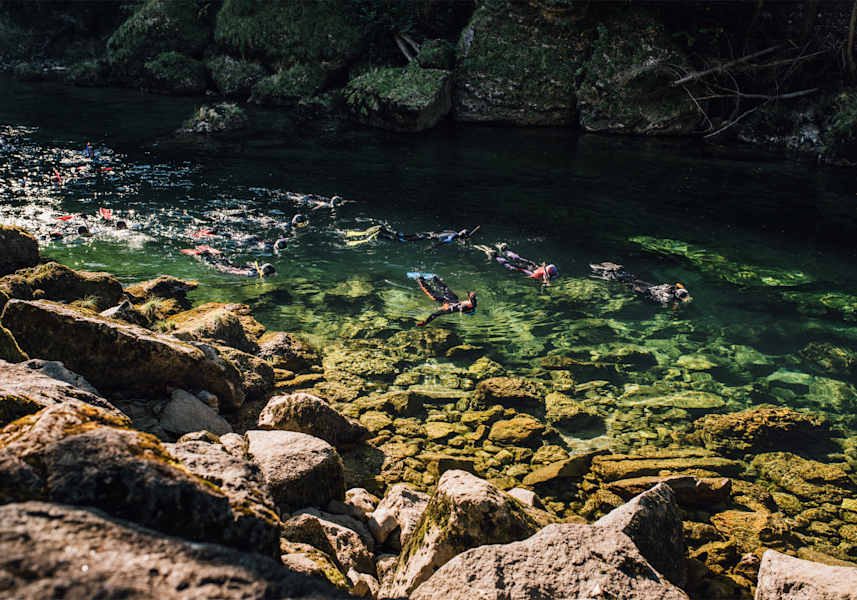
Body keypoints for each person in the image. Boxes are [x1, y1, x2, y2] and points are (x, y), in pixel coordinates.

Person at [589, 262, 692, 306]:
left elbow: (679, 284)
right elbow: (663, 302)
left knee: (634, 280)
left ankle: (617, 272)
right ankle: (612, 274)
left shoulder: (673, 288)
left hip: (650, 286)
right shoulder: (669, 297)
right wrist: (673, 305)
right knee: (627, 284)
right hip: (645, 291)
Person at [410, 273, 477, 327]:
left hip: (453, 298)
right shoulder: (452, 310)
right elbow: (434, 314)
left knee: (444, 288)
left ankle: (434, 278)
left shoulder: (469, 305)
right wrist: (425, 323)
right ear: (464, 312)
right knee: (432, 294)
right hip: (447, 300)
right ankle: (419, 278)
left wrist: (471, 295)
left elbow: (472, 302)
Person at [474, 243, 559, 284]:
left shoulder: (542, 271)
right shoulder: (539, 275)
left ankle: (503, 251)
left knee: (517, 260)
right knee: (512, 262)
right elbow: (522, 271)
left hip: (530, 267)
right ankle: (497, 254)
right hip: (525, 270)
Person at [344, 224, 478, 247]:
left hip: (427, 233)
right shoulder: (454, 237)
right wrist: (432, 248)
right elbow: (444, 241)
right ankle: (381, 234)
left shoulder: (453, 231)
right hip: (426, 238)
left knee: (404, 236)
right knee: (403, 241)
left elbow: (442, 231)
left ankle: (384, 231)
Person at [181, 245, 276, 278]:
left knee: (227, 262)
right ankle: (205, 255)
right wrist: (226, 272)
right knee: (216, 265)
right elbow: (239, 273)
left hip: (236, 267)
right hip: (234, 270)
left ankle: (217, 253)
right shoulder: (254, 274)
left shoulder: (257, 268)